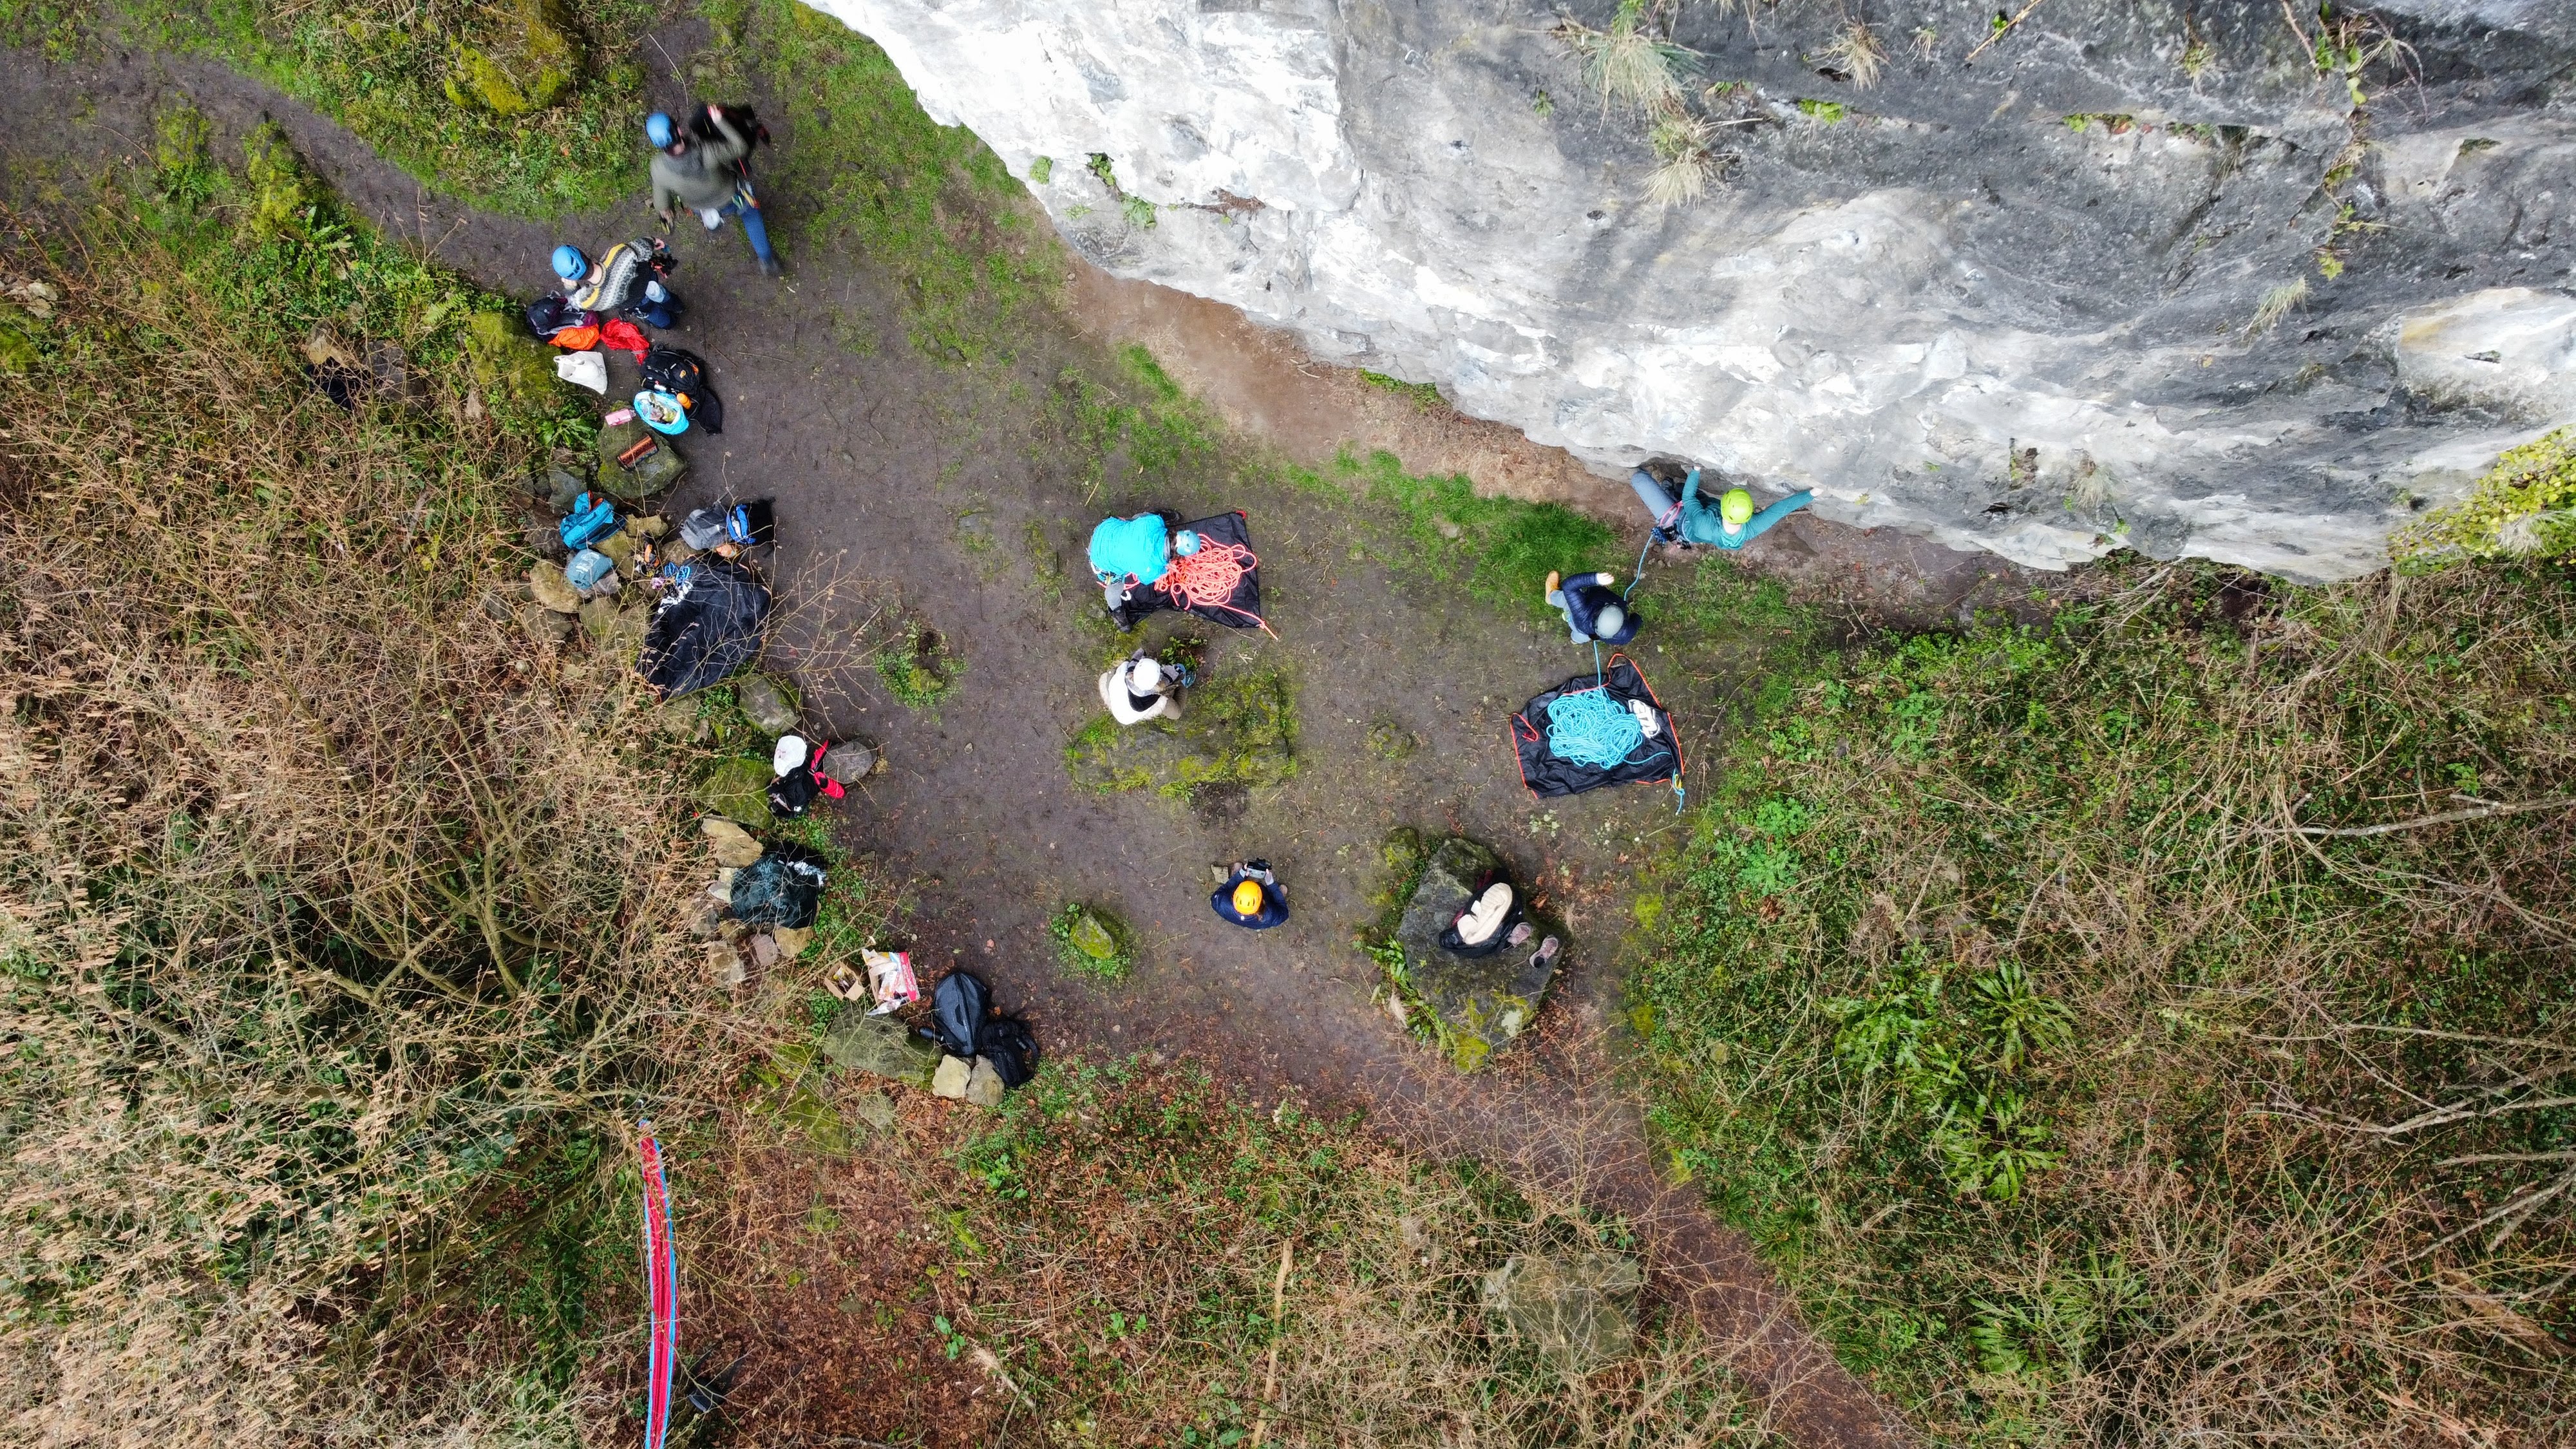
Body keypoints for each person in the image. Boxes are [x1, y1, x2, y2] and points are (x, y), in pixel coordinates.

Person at [649, 106, 780, 278]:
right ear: (679, 130)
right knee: (750, 213)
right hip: (730, 196)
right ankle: (767, 260)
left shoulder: (658, 167)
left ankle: (711, 217)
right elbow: (740, 147)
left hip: (698, 205)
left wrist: (667, 215)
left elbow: (662, 204)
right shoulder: (708, 151)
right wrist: (720, 122)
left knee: (705, 204)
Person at [1629, 465, 1813, 550]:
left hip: (1678, 521)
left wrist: (1696, 470)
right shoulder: (1751, 528)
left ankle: (1667, 489)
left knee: (1640, 480)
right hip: (1699, 508)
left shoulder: (1704, 524)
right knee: (1680, 487)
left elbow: (1689, 497)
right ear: (1749, 514)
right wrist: (1810, 495)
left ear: (1723, 505)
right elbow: (1780, 510)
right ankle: (1670, 489)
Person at [553, 239, 680, 329]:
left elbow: (575, 302)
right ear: (582, 254)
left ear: (575, 278)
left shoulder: (593, 299)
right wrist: (653, 241)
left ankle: (671, 324)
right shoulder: (617, 253)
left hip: (636, 304)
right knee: (662, 295)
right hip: (648, 282)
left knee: (653, 314)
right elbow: (643, 246)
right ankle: (678, 307)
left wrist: (571, 289)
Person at [1543, 569, 1639, 645]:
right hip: (1586, 634)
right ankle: (1574, 641)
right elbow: (1635, 623)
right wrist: (1637, 618)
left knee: (1566, 600)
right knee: (1582, 636)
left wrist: (1595, 579)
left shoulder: (1582, 612)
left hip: (1577, 622)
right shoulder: (1624, 634)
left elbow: (1569, 587)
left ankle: (1551, 597)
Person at [1097, 654, 1186, 724]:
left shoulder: (1123, 671)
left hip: (1119, 703)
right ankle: (1182, 684)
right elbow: (1161, 689)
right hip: (1132, 710)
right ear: (1156, 684)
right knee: (1176, 713)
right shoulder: (1153, 697)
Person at [1211, 860, 1288, 929]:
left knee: (1231, 887)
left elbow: (1225, 889)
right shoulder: (1269, 916)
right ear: (1261, 901)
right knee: (1276, 900)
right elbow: (1284, 912)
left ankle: (1237, 877)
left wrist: (1240, 875)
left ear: (1235, 896)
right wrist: (1272, 885)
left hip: (1240, 917)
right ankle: (1275, 895)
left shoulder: (1221, 903)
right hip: (1264, 912)